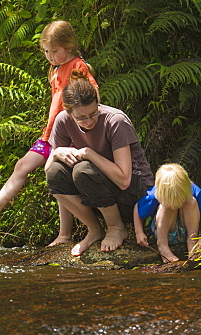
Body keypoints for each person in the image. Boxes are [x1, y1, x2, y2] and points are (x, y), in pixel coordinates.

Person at [0, 21, 99, 245]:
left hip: (70, 135)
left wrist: (84, 124)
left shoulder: (77, 66)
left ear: (68, 46)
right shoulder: (55, 69)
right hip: (50, 135)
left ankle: (67, 233)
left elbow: (93, 92)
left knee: (56, 176)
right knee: (22, 165)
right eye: (46, 51)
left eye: (54, 51)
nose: (50, 56)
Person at [45, 71, 154, 256]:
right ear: (69, 113)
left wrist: (89, 153)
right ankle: (94, 229)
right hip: (100, 197)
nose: (89, 121)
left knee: (83, 170)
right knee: (55, 172)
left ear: (98, 103)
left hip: (135, 197)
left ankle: (116, 228)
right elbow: (48, 172)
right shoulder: (62, 121)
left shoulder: (115, 121)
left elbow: (124, 179)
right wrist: (56, 153)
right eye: (81, 118)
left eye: (93, 113)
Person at [134, 163, 201, 263]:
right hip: (166, 230)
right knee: (166, 206)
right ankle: (162, 245)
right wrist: (139, 232)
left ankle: (191, 241)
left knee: (191, 201)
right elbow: (137, 209)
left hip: (186, 229)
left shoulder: (193, 190)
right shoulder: (154, 194)